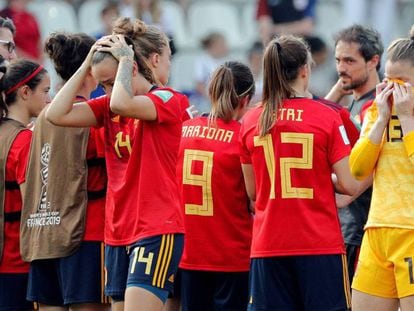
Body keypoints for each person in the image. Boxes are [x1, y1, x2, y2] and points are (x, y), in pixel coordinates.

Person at [45, 17, 187, 311]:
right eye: (102, 85)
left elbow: (122, 103)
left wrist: (122, 61)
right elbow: (55, 114)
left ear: (130, 68)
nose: (105, 92)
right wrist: (86, 65)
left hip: (155, 229)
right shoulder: (109, 108)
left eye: (109, 83)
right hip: (118, 230)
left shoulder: (168, 100)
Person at [239, 35, 359, 310]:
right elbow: (350, 183)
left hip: (268, 245)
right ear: (305, 69)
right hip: (319, 244)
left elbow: (254, 193)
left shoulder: (251, 119)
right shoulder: (326, 116)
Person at [21, 32, 109, 311]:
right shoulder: (93, 119)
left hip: (43, 234)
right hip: (86, 234)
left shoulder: (39, 121)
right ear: (92, 69)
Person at [177, 61, 254, 311]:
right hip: (232, 254)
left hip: (189, 253)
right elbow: (255, 197)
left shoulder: (183, 130)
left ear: (210, 93)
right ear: (245, 100)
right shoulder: (242, 136)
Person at [350, 25, 414, 311]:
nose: (392, 89)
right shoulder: (378, 111)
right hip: (376, 231)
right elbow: (358, 169)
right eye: (388, 80)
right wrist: (380, 121)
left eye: (402, 82)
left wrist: (407, 119)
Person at [325, 24, 384, 283]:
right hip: (345, 227)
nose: (341, 68)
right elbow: (315, 120)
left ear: (373, 61)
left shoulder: (377, 106)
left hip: (363, 224)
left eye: (350, 60)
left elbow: (378, 159)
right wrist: (338, 90)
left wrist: (348, 194)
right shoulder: (353, 103)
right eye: (338, 60)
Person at [0, 59, 50, 311]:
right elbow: (35, 208)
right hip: (18, 263)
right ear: (25, 92)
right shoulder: (25, 141)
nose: (48, 99)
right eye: (45, 91)